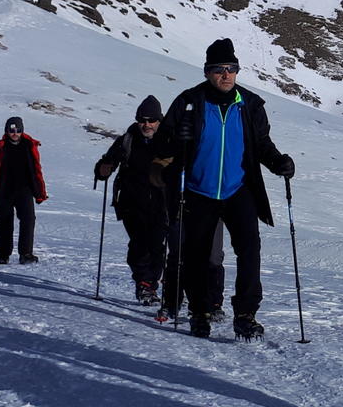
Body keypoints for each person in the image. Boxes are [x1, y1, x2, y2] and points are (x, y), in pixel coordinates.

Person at [161, 38, 296, 338]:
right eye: (219, 69)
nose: (226, 75)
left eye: (231, 69)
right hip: (198, 190)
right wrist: (176, 138)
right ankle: (199, 311)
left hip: (239, 190)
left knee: (249, 249)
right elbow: (162, 146)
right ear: (207, 72)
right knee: (196, 254)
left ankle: (245, 314)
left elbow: (261, 145)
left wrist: (279, 163)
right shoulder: (188, 102)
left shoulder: (249, 105)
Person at [97, 96, 227, 309]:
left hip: (164, 202)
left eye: (151, 120)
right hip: (132, 202)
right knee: (141, 243)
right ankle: (145, 283)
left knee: (160, 245)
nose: (146, 124)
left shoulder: (170, 139)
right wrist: (103, 168)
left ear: (159, 120)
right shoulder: (128, 139)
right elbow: (108, 161)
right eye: (142, 120)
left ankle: (160, 286)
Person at [0, 117, 48, 265]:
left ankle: (26, 254)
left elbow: (36, 170)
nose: (15, 133)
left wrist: (40, 191)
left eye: (18, 130)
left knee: (29, 220)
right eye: (11, 130)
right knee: (5, 222)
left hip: (25, 190)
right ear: (6, 130)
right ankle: (3, 255)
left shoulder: (29, 145)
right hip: (4, 190)